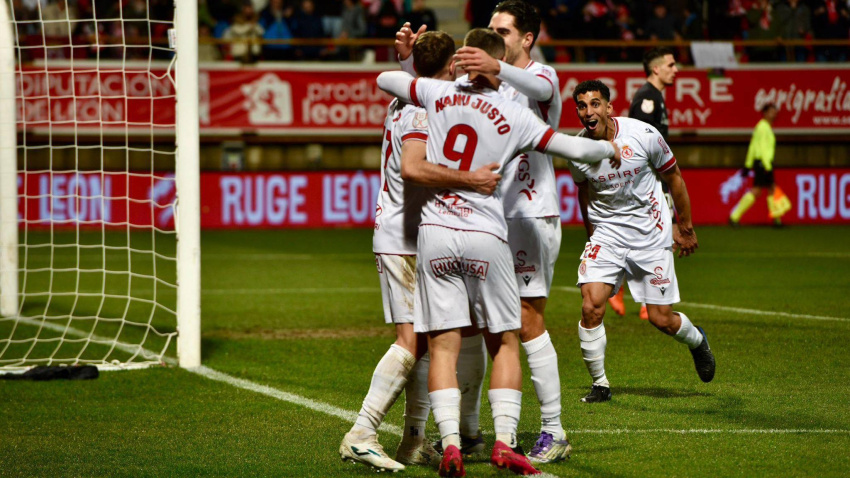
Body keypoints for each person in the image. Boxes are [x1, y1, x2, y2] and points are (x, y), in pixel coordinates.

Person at [377, 29, 620, 477]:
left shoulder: (437, 92)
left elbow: (385, 80)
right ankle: (505, 442)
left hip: (433, 235)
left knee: (444, 345)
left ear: (465, 60)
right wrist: (608, 147)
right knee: (508, 340)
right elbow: (577, 148)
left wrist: (420, 67)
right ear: (495, 63)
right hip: (485, 231)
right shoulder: (515, 113)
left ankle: (450, 444)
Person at [339, 30, 502, 474]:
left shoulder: (410, 95)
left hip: (416, 237)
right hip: (403, 238)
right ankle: (362, 432)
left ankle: (413, 440)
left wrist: (412, 58)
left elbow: (413, 77)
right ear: (450, 66)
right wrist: (470, 179)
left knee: (429, 344)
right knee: (411, 342)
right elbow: (413, 168)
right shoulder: (418, 110)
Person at [451, 0, 571, 464]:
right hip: (489, 218)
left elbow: (537, 85)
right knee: (481, 324)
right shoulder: (488, 83)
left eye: (505, 31)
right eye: (491, 30)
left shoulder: (542, 79)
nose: (496, 37)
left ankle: (555, 430)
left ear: (527, 39)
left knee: (526, 321)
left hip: (529, 215)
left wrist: (495, 63)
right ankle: (476, 429)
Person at [569, 79, 715, 404]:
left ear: (608, 107)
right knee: (591, 305)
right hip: (607, 234)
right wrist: (591, 233)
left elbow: (673, 176)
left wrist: (685, 227)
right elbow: (583, 191)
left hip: (650, 233)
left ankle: (696, 341)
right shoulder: (577, 151)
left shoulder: (643, 135)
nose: (588, 112)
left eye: (595, 104)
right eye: (582, 106)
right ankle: (601, 384)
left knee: (662, 319)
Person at [625, 46, 679, 321]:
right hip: (648, 183)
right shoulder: (648, 98)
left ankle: (644, 296)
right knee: (656, 233)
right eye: (671, 65)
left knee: (651, 234)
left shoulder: (654, 96)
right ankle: (648, 297)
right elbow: (639, 145)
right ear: (656, 68)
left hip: (652, 181)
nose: (676, 70)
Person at [729, 103, 789, 227]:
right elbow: (761, 148)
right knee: (758, 190)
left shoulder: (763, 127)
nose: (774, 114)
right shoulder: (763, 127)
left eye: (775, 111)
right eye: (772, 111)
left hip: (761, 162)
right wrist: (767, 166)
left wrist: (748, 164)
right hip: (763, 163)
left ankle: (776, 219)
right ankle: (734, 217)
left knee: (770, 188)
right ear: (765, 113)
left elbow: (753, 146)